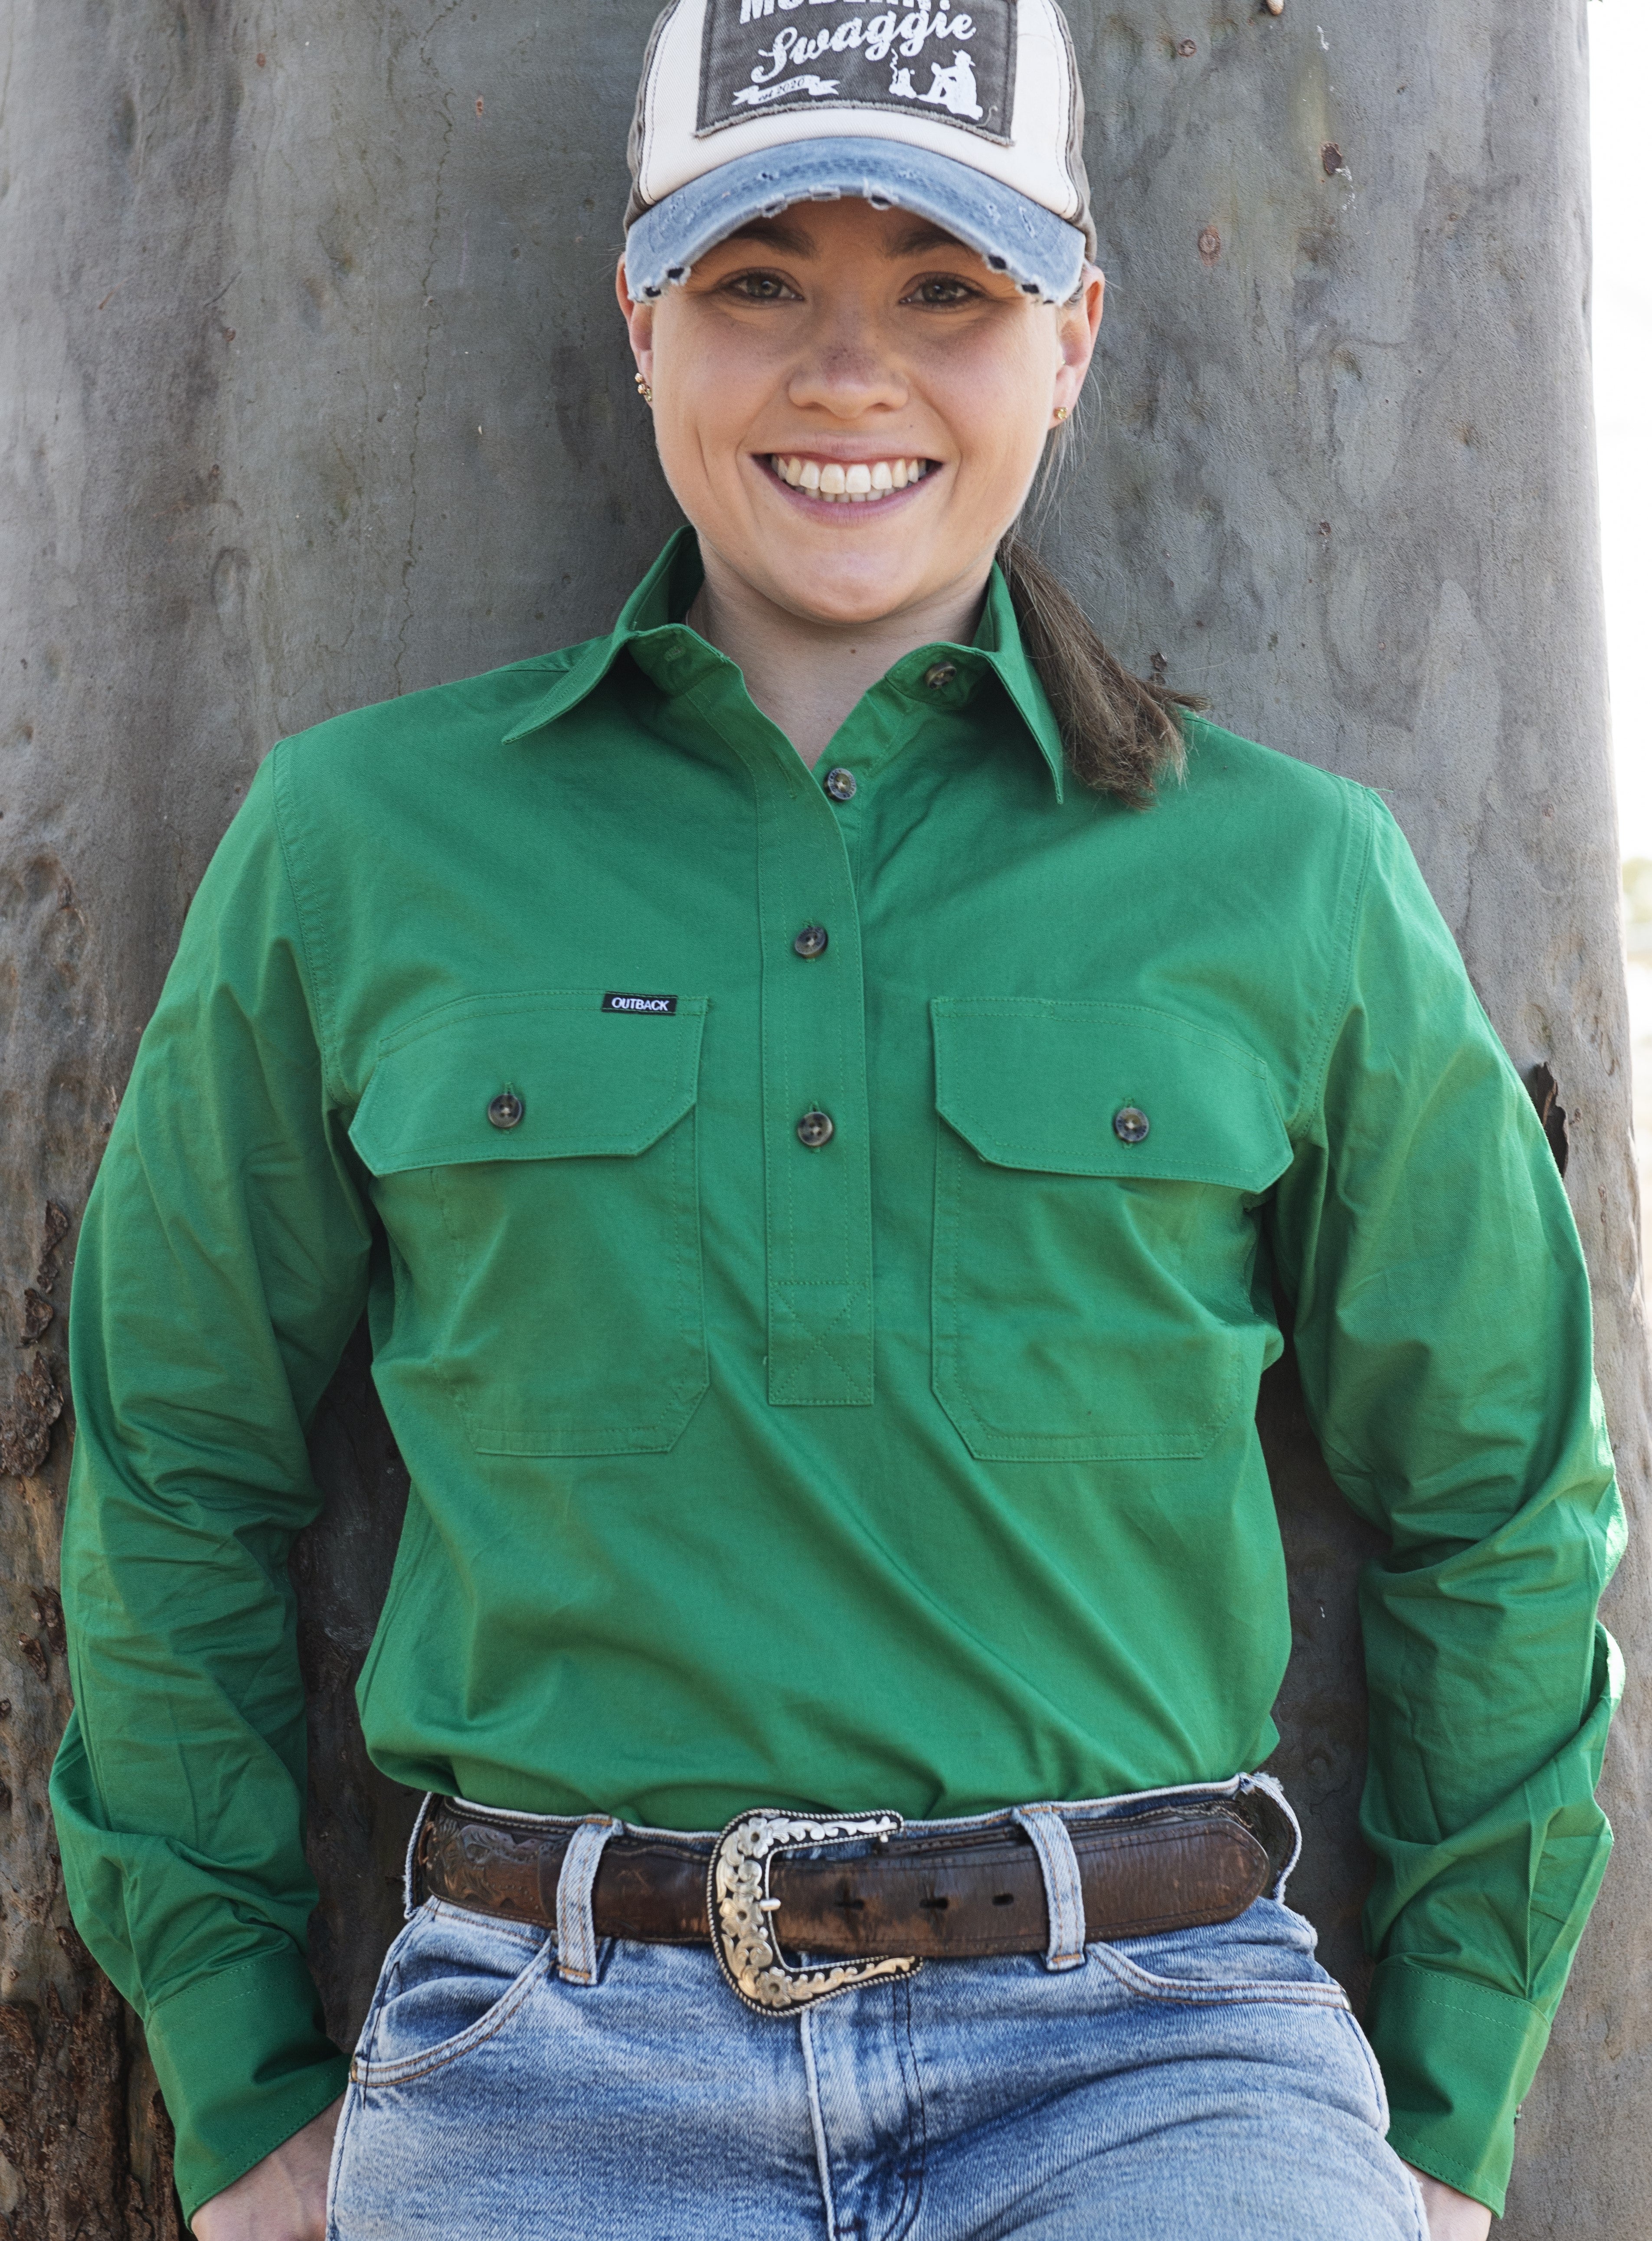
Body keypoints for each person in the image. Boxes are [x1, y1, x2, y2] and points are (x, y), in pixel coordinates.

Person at [50, 3, 1623, 2237]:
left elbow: (1501, 1498)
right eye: (758, 279)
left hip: (1157, 2057)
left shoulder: (1291, 875)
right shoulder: (353, 847)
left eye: (946, 292)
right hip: (546, 2053)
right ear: (640, 317)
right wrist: (230, 2077)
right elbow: (171, 1459)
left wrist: (1447, 2119)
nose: (846, 371)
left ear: (1068, 338)